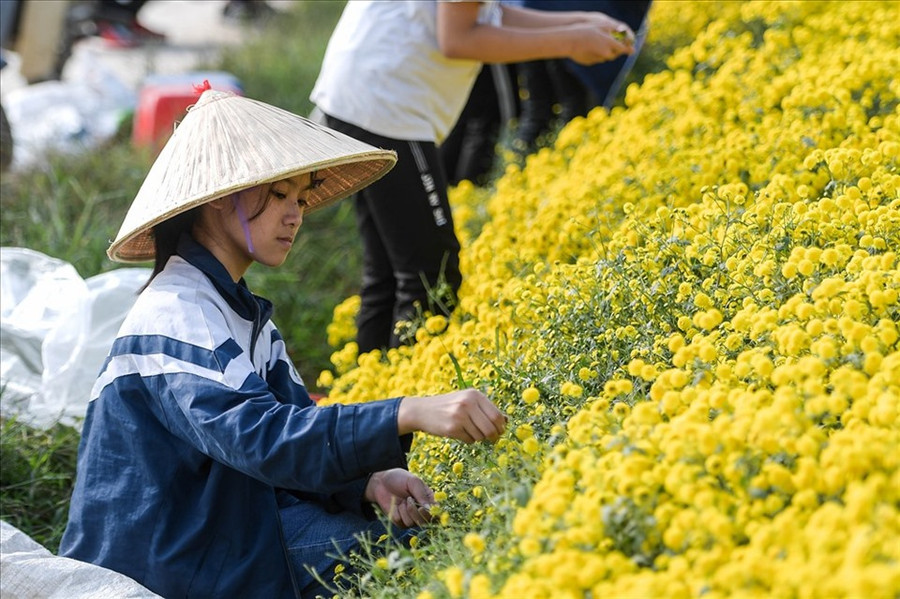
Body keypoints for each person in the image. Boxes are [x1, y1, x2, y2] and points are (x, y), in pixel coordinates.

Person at [58, 88, 507, 599]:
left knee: (423, 538)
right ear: (214, 199)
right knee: (414, 555)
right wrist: (404, 411)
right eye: (277, 195)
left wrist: (368, 482)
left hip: (233, 527)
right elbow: (265, 439)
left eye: (300, 196)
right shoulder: (177, 314)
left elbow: (296, 428)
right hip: (171, 563)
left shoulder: (239, 312)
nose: (294, 214)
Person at [310, 1, 635, 354]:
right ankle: (409, 401)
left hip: (362, 90)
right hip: (387, 104)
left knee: (390, 272)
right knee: (431, 278)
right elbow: (458, 39)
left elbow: (484, 13)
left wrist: (580, 22)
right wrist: (571, 41)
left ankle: (371, 394)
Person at [513, 0, 653, 154]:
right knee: (560, 108)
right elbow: (486, 31)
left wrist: (584, 24)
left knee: (551, 110)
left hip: (561, 17)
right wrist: (573, 39)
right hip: (565, 21)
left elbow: (499, 17)